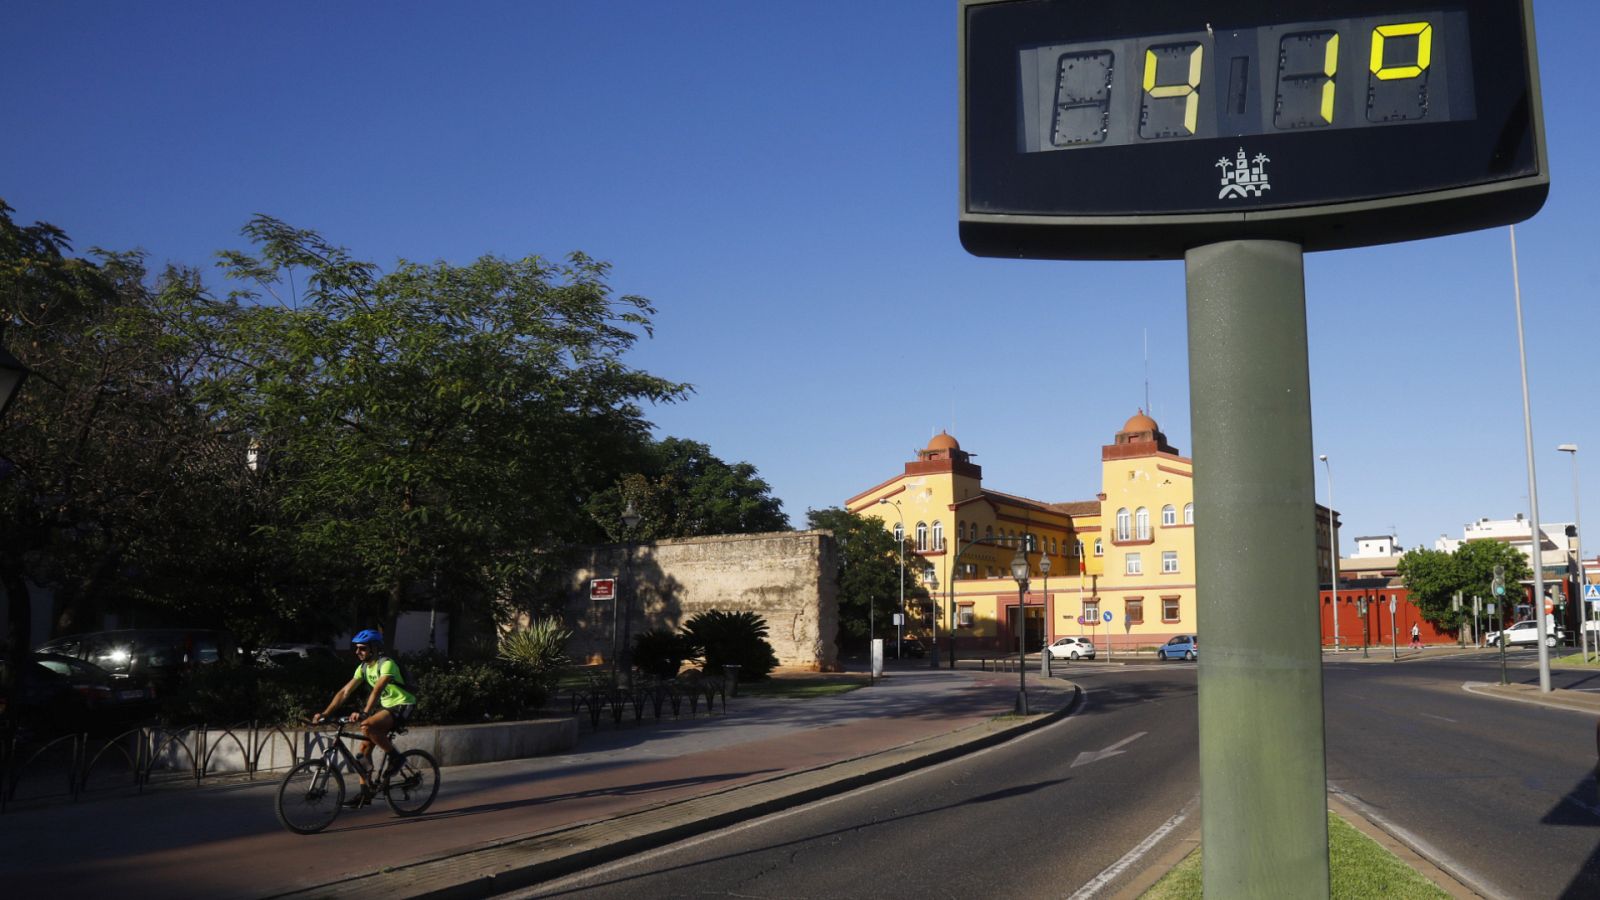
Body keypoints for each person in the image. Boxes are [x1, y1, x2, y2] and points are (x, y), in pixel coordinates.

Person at [312, 629, 417, 807]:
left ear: (374, 648)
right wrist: (325, 713)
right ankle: (365, 793)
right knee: (363, 753)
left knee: (367, 725)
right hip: (386, 708)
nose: (357, 652)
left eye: (362, 648)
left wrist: (365, 712)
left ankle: (397, 758)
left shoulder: (386, 664)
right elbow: (345, 692)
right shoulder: (363, 668)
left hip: (403, 705)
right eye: (356, 648)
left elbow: (377, 689)